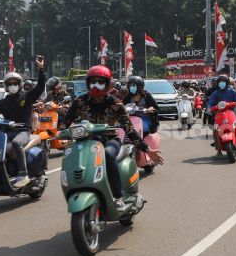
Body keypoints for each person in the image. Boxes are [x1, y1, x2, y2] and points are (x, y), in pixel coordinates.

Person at [65, 66, 164, 210]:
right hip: (86, 141)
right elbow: (66, 121)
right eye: (93, 82)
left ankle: (118, 196)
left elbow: (129, 129)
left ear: (107, 84)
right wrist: (61, 131)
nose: (96, 86)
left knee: (108, 154)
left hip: (110, 140)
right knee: (71, 154)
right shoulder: (80, 101)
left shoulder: (115, 103)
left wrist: (147, 150)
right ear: (88, 83)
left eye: (100, 82)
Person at [0, 57, 46, 188]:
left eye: (15, 83)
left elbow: (41, 87)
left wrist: (41, 70)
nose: (12, 86)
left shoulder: (27, 96)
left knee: (16, 143)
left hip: (23, 131)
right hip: (8, 132)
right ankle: (3, 173)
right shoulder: (3, 102)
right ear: (6, 87)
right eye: (10, 84)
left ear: (20, 84)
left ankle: (23, 174)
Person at [207, 74, 236, 154]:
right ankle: (218, 147)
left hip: (232, 111)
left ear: (227, 82)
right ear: (218, 83)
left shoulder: (232, 91)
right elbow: (210, 102)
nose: (222, 83)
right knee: (216, 128)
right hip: (219, 113)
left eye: (223, 81)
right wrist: (208, 108)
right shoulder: (215, 93)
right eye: (220, 81)